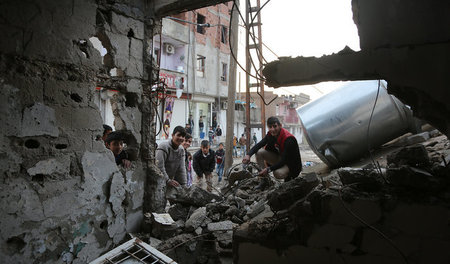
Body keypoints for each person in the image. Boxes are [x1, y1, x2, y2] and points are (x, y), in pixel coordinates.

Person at [242, 116, 302, 190]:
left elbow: (284, 160)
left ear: (280, 126)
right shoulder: (271, 135)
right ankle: (264, 181)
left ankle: (289, 179)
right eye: (270, 127)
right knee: (259, 152)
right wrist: (248, 155)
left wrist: (269, 169)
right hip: (281, 159)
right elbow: (259, 144)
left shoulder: (289, 139)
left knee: (277, 173)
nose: (273, 129)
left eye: (275, 126)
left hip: (291, 165)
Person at [155, 126, 187, 193]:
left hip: (170, 180)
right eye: (178, 135)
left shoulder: (181, 150)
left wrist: (184, 185)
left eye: (183, 136)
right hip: (158, 181)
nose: (181, 138)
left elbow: (181, 169)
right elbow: (159, 166)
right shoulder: (163, 147)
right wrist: (167, 180)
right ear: (172, 135)